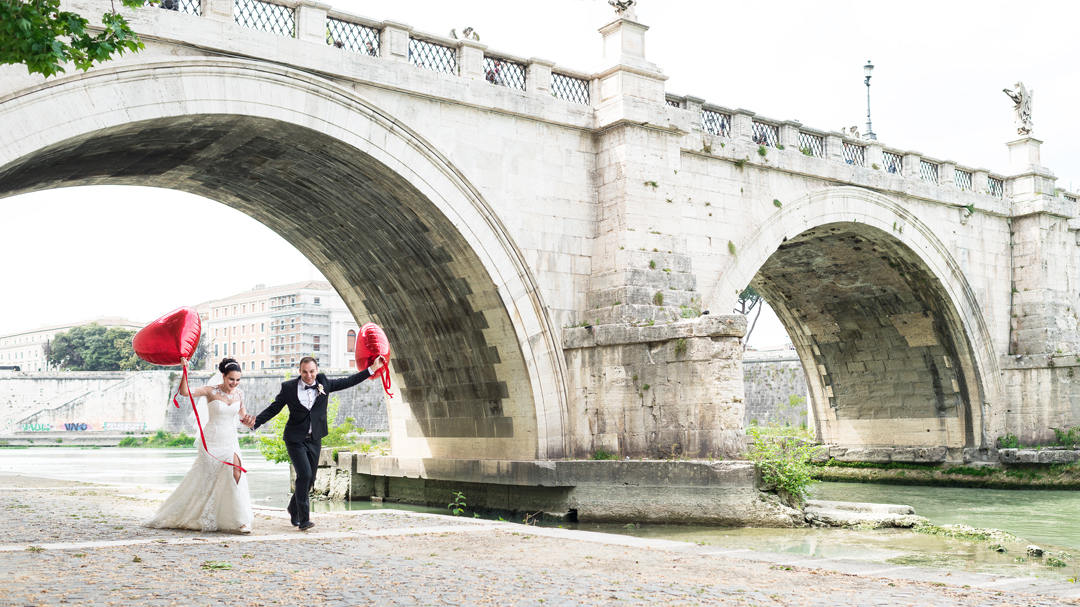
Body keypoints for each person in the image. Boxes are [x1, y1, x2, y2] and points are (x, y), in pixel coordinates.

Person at [246, 355, 385, 531]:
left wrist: (372, 369)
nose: (309, 375)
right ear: (300, 371)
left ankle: (292, 507)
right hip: (295, 439)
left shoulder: (324, 383)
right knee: (304, 475)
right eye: (305, 372)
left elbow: (349, 381)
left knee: (310, 478)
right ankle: (304, 520)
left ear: (316, 370)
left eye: (312, 371)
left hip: (314, 439)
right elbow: (275, 408)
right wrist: (256, 422)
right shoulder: (288, 388)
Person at [147, 357, 255, 534]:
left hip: (230, 441)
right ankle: (200, 514)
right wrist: (185, 370)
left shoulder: (239, 394)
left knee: (236, 472)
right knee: (207, 479)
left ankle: (239, 520)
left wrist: (249, 422)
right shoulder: (210, 391)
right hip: (211, 440)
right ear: (223, 376)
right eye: (231, 379)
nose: (234, 383)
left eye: (238, 380)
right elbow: (184, 392)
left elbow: (243, 418)